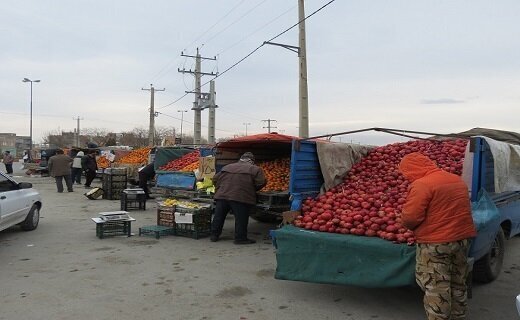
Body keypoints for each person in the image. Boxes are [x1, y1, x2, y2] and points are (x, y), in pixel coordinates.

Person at [398, 152, 477, 320]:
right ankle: (459, 316)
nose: (406, 176)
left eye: (405, 172)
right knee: (457, 282)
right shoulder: (456, 180)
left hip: (436, 243)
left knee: (436, 287)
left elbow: (411, 218)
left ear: (411, 169)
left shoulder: (422, 185)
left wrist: (404, 222)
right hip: (461, 238)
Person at [210, 152, 266, 245]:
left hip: (222, 195)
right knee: (241, 218)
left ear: (240, 159)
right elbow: (260, 183)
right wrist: (252, 189)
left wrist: (221, 188)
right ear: (252, 161)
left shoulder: (227, 167)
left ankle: (214, 235)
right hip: (240, 196)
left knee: (219, 216)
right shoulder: (255, 169)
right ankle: (240, 239)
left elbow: (215, 179)